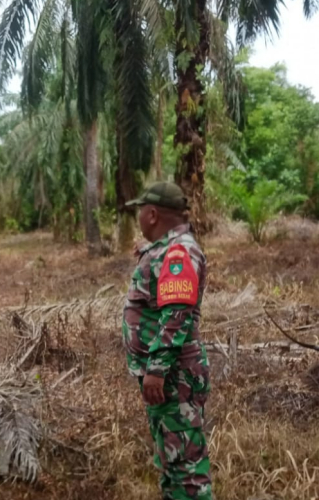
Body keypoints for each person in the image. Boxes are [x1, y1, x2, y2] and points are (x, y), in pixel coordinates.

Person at [122, 182, 213, 500]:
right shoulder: (167, 248)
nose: (137, 218)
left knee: (187, 469)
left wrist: (157, 368)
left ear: (151, 214)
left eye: (139, 212)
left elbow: (177, 314)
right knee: (171, 461)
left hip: (174, 375)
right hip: (170, 375)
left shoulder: (178, 252)